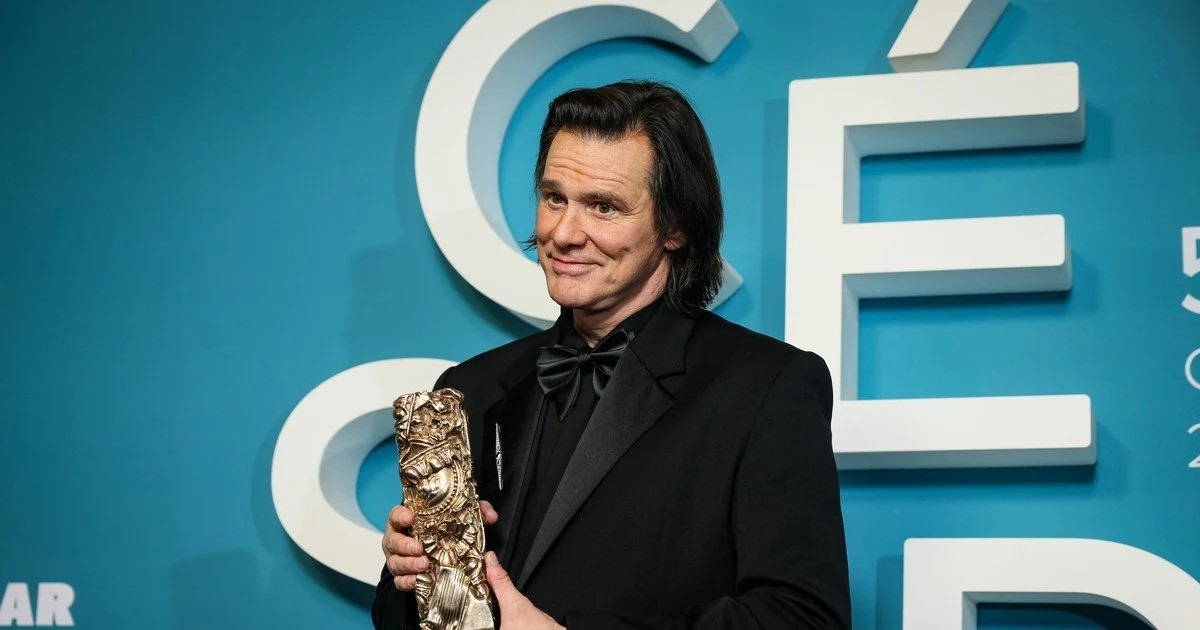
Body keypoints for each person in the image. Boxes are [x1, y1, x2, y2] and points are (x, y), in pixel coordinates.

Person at [373, 80, 850, 629]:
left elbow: (802, 618)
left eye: (603, 206)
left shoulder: (766, 387)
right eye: (554, 198)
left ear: (676, 226)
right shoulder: (471, 387)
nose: (563, 233)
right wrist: (409, 575)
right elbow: (399, 617)